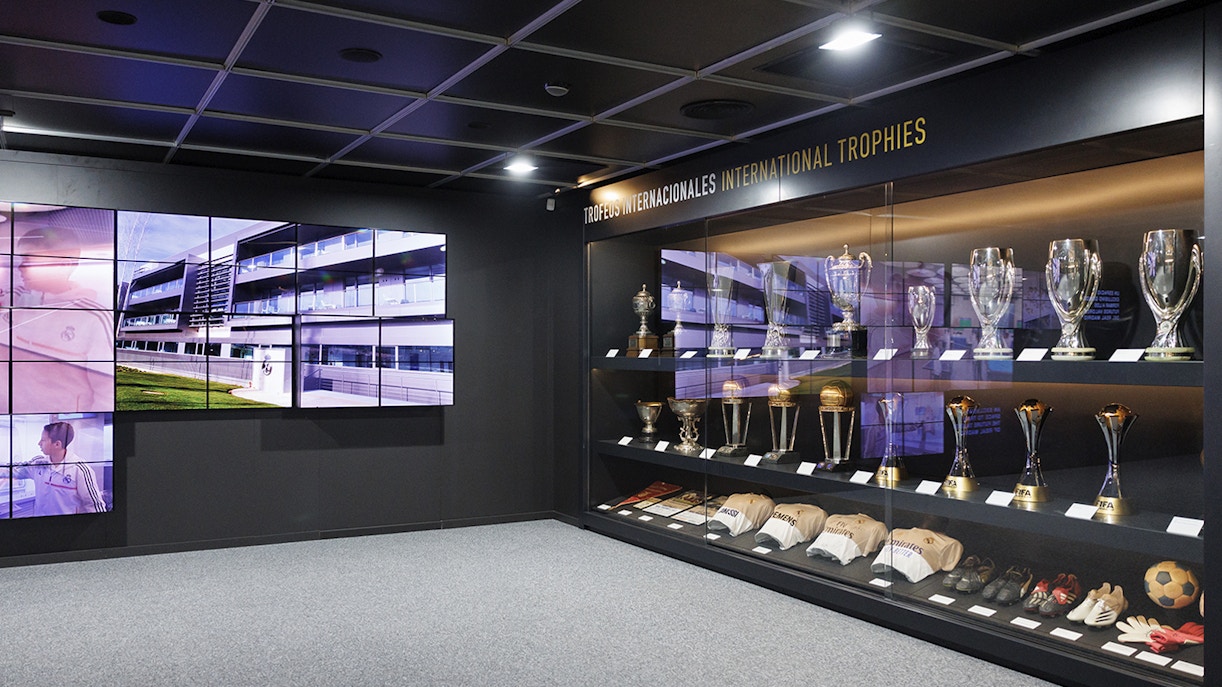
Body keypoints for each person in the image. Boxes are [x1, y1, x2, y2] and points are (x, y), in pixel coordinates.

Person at [3, 224, 115, 413]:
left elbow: (107, 394)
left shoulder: (94, 318)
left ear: (65, 264)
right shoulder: (14, 301)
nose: (20, 267)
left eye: (30, 260)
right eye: (22, 259)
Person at [3, 421, 107, 517]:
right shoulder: (38, 463)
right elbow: (12, 470)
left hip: (66, 530)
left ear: (57, 444)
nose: (39, 443)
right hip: (39, 527)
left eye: (43, 440)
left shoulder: (80, 470)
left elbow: (95, 506)